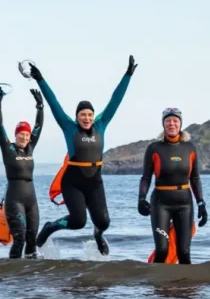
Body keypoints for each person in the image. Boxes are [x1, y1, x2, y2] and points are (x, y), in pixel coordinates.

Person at [31, 56, 137, 254]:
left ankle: (98, 235)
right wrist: (40, 79)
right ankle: (50, 227)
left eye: (89, 114)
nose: (86, 118)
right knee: (78, 221)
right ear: (77, 116)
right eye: (82, 115)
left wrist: (127, 75)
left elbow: (115, 100)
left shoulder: (101, 124)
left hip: (94, 182)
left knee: (103, 222)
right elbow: (54, 103)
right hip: (72, 181)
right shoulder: (69, 127)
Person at [138, 107, 207, 264]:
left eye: (175, 120)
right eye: (168, 121)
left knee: (184, 252)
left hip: (184, 203)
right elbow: (146, 177)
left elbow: (195, 178)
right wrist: (141, 198)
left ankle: (185, 288)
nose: (172, 124)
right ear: (163, 124)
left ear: (180, 124)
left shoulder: (189, 148)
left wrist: (201, 203)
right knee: (162, 250)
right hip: (161, 203)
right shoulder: (154, 148)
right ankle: (158, 287)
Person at [0, 84, 44, 258]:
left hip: (32, 200)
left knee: (31, 240)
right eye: (21, 134)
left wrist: (40, 106)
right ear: (16, 135)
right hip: (15, 200)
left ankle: (30, 277)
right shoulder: (8, 149)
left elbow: (39, 125)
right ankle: (13, 279)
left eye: (27, 134)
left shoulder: (30, 148)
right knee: (20, 239)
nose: (24, 137)